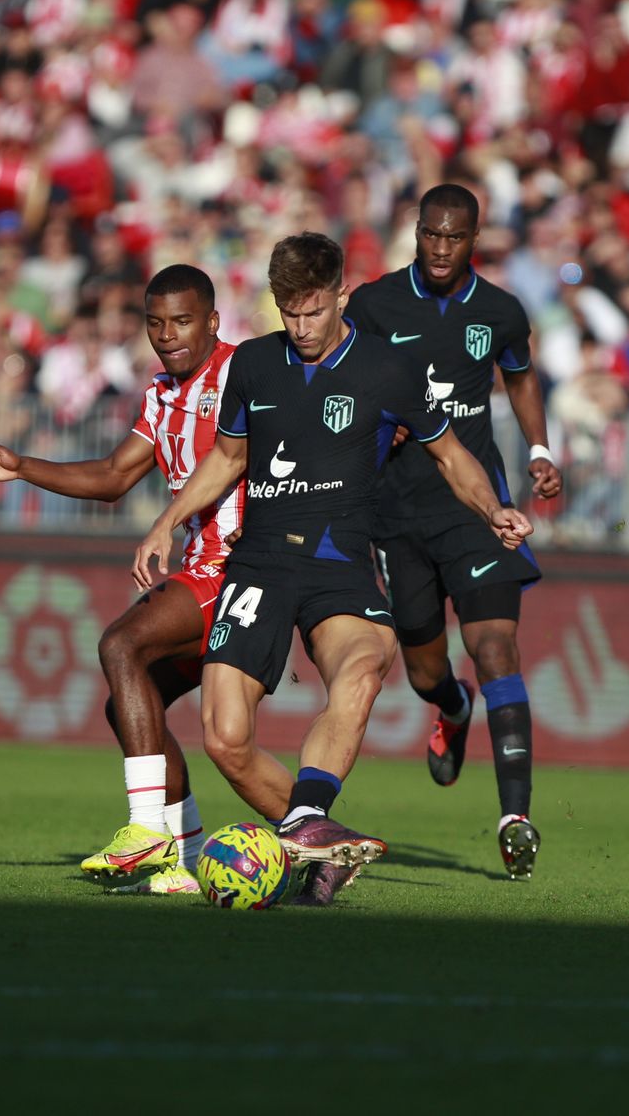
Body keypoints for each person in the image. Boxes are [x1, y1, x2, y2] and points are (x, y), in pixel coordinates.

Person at [132, 232, 532, 906]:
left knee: (366, 663)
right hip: (258, 561)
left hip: (342, 558)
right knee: (225, 739)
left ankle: (308, 821)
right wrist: (165, 523)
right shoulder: (255, 365)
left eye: (313, 311)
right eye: (289, 313)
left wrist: (494, 509)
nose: (302, 327)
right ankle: (312, 831)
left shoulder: (388, 369)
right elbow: (228, 459)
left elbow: (451, 456)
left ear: (341, 296)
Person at [0, 265, 242, 896]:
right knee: (130, 702)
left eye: (183, 321)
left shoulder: (246, 374)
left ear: (213, 321)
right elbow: (114, 476)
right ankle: (186, 860)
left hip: (242, 569)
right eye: (156, 323)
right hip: (203, 570)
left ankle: (147, 829)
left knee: (120, 645)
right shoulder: (162, 393)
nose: (168, 335)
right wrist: (21, 466)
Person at [344, 184, 562, 879]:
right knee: (426, 671)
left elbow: (521, 377)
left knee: (496, 647)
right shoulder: (374, 304)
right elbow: (345, 387)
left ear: (475, 239)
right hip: (397, 511)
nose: (441, 248)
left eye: (455, 237)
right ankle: (452, 707)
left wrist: (538, 449)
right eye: (430, 235)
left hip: (475, 507)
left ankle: (515, 819)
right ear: (416, 231)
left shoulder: (499, 311)